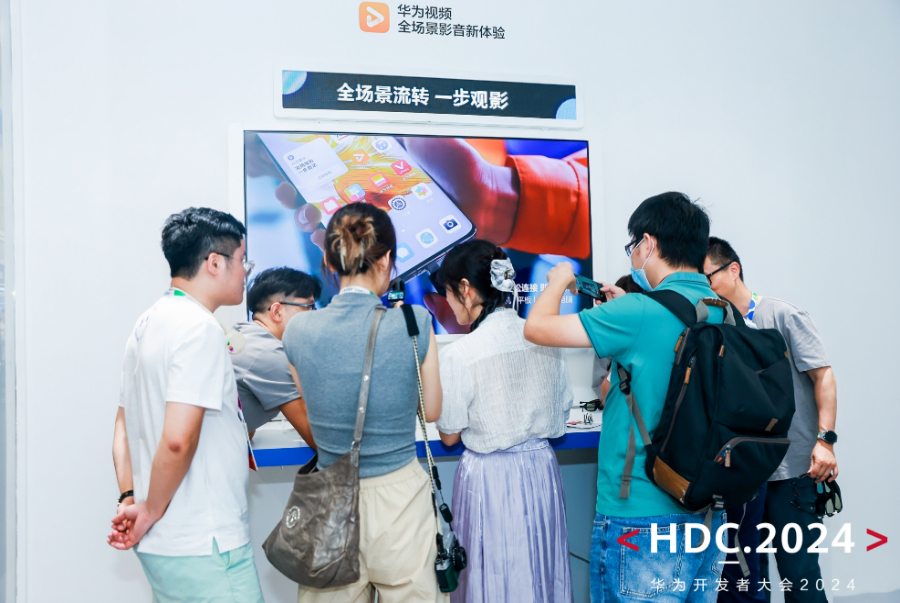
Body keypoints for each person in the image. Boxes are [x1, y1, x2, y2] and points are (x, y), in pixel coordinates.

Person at [524, 192, 727, 603]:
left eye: (633, 245)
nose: (633, 255)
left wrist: (559, 279)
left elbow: (537, 328)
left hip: (640, 512)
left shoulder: (636, 312)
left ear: (648, 244)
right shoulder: (723, 308)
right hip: (707, 510)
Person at [281, 202, 446, 603]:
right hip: (400, 501)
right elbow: (432, 411)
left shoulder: (297, 329)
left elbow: (312, 407)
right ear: (387, 259)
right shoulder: (415, 322)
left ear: (328, 260)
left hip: (330, 501)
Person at [109, 207, 264, 602]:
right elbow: (179, 440)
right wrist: (149, 509)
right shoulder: (198, 328)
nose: (246, 271)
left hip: (166, 542)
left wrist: (131, 499)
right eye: (242, 260)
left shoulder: (147, 323)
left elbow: (123, 428)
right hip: (204, 543)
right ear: (215, 263)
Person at [433, 240, 574, 603]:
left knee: (491, 574)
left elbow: (449, 436)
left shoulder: (461, 353)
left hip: (489, 478)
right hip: (541, 469)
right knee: (541, 570)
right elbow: (562, 412)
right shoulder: (545, 338)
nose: (447, 301)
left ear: (466, 289)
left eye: (448, 291)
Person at [705, 237, 837, 603]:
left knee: (799, 576)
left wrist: (825, 440)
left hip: (791, 473)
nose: (705, 287)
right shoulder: (715, 325)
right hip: (742, 475)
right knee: (747, 580)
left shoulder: (782, 315)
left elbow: (823, 375)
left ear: (733, 269)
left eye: (708, 277)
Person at [231, 266, 321, 443]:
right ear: (276, 312)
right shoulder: (268, 353)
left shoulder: (245, 336)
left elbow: (246, 428)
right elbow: (318, 439)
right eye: (309, 307)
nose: (314, 315)